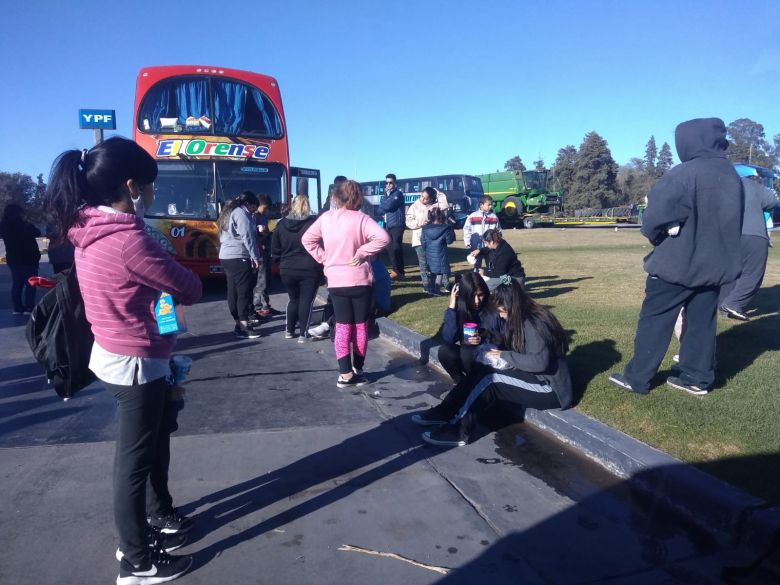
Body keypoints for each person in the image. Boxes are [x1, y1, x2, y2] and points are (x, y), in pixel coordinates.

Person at [47, 136, 201, 584]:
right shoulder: (129, 240)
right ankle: (136, 560)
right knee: (134, 461)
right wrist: (161, 254)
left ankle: (157, 517)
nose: (153, 195)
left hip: (115, 350)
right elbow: (188, 288)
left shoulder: (89, 228)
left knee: (150, 446)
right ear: (131, 186)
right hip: (135, 359)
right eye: (150, 187)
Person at [609, 117, 743, 396]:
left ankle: (637, 378)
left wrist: (654, 235)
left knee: (655, 319)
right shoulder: (731, 175)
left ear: (690, 141)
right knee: (702, 322)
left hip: (678, 263)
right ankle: (697, 378)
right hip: (714, 265)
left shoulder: (685, 173)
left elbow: (656, 215)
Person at [412, 278, 572, 447]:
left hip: (549, 389)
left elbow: (540, 363)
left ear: (511, 306)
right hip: (533, 376)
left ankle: (460, 430)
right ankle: (444, 411)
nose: (501, 315)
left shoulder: (533, 322)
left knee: (491, 380)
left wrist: (504, 355)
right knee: (481, 370)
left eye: (502, 311)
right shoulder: (524, 317)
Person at [302, 179, 390, 387]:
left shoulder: (325, 219)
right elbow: (383, 238)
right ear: (358, 197)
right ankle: (358, 368)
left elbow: (307, 240)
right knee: (360, 326)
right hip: (359, 280)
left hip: (336, 280)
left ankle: (344, 373)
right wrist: (362, 252)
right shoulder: (361, 219)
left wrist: (324, 258)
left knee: (342, 326)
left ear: (335, 196)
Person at [718, 166, 779, 321]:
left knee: (729, 273)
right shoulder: (753, 187)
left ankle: (723, 306)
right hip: (753, 234)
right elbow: (772, 201)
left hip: (727, 236)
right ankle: (733, 303)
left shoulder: (720, 187)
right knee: (753, 273)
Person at [271, 195, 322, 341]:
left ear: (293, 205)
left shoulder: (281, 224)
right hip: (309, 268)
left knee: (293, 299)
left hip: (287, 268)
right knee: (306, 301)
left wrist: (280, 262)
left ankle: (289, 330)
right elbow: (321, 244)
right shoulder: (313, 224)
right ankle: (303, 334)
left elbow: (275, 248)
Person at [218, 191, 262, 339]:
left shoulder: (228, 212)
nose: (254, 211)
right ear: (248, 204)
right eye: (253, 208)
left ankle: (238, 322)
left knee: (233, 291)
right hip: (239, 255)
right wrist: (255, 257)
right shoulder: (241, 213)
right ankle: (244, 325)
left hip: (226, 256)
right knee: (244, 292)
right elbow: (248, 236)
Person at [437, 272, 490, 383]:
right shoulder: (460, 309)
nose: (477, 301)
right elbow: (448, 338)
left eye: (480, 295)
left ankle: (476, 384)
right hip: (468, 356)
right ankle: (461, 383)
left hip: (487, 356)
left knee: (467, 352)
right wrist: (452, 307)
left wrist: (483, 336)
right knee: (444, 351)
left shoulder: (489, 306)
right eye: (472, 296)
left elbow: (499, 334)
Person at [0, 203, 41, 314]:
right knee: (30, 284)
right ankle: (29, 307)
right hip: (29, 258)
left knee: (17, 284)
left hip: (13, 259)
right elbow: (38, 232)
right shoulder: (24, 225)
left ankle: (17, 308)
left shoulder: (4, 226)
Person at [406, 186, 448, 291]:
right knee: (423, 263)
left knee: (433, 263)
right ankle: (426, 285)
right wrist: (421, 223)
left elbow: (445, 205)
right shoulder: (414, 206)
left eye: (426, 198)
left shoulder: (434, 205)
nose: (423, 200)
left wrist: (437, 192)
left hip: (432, 240)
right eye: (422, 197)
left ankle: (435, 284)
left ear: (431, 198)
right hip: (419, 239)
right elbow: (409, 222)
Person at [251, 193, 283, 319]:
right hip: (259, 252)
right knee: (261, 281)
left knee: (267, 280)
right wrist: (261, 233)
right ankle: (258, 306)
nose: (266, 210)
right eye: (264, 208)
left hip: (266, 251)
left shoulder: (263, 216)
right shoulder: (254, 217)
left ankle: (265, 305)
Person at [377, 173, 406, 279]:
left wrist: (385, 202)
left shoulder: (398, 194)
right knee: (389, 248)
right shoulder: (386, 195)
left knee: (396, 247)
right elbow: (379, 211)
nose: (388, 184)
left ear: (395, 183)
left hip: (397, 224)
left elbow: (388, 206)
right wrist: (385, 201)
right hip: (388, 224)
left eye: (390, 182)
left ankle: (400, 272)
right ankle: (395, 270)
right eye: (386, 182)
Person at [421, 207, 455, 295]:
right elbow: (449, 241)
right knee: (439, 271)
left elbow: (423, 242)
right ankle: (437, 289)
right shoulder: (445, 228)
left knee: (432, 271)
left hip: (429, 252)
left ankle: (431, 288)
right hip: (441, 252)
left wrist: (426, 249)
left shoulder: (425, 229)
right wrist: (451, 228)